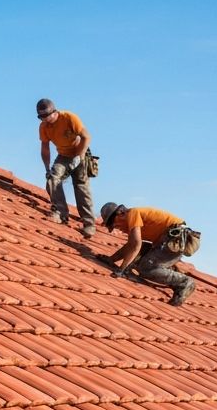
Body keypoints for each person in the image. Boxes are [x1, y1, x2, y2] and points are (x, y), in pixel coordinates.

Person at [100, 202, 197, 305]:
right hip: (168, 240)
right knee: (140, 256)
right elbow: (131, 245)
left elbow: (136, 244)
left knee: (146, 267)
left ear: (120, 213)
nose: (117, 227)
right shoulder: (132, 220)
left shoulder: (133, 214)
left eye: (114, 223)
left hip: (174, 238)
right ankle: (173, 279)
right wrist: (111, 260)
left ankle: (184, 282)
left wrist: (121, 270)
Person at [37, 98, 96, 238]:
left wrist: (79, 156)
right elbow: (45, 148)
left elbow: (86, 137)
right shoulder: (44, 127)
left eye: (46, 116)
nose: (44, 119)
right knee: (53, 178)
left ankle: (89, 225)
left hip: (80, 152)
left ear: (54, 112)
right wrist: (47, 168)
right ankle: (61, 214)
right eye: (41, 117)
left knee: (81, 186)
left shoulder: (69, 118)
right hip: (63, 156)